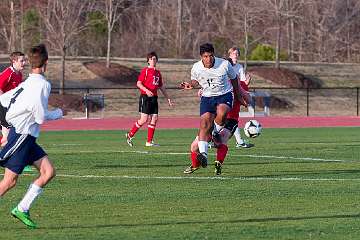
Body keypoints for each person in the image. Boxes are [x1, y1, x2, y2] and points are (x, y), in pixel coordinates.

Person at [0, 44, 63, 229]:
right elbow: (40, 117)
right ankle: (21, 208)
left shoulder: (26, 83)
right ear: (46, 63)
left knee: (49, 172)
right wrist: (57, 113)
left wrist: (13, 113)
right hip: (22, 136)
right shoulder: (43, 84)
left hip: (27, 137)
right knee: (9, 182)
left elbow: (4, 99)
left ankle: (22, 208)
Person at [180, 43, 248, 168]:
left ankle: (214, 132)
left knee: (222, 113)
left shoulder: (224, 64)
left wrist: (238, 96)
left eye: (211, 55)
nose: (209, 59)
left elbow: (234, 79)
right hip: (207, 97)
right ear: (201, 57)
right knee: (204, 124)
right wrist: (191, 84)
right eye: (206, 56)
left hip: (224, 95)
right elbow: (195, 80)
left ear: (214, 55)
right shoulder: (196, 67)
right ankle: (204, 155)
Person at [125, 51, 173, 147]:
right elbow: (138, 83)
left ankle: (149, 142)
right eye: (151, 59)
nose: (153, 60)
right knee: (144, 120)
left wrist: (168, 98)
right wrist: (146, 90)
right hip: (145, 97)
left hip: (154, 98)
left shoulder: (158, 73)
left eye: (155, 59)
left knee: (154, 118)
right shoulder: (145, 71)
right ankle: (130, 135)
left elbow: (161, 87)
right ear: (148, 61)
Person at [227, 47, 254, 148]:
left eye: (237, 53)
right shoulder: (225, 65)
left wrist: (247, 83)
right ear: (230, 55)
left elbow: (242, 83)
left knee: (232, 119)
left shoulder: (239, 67)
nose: (236, 55)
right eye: (234, 53)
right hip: (225, 95)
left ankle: (239, 141)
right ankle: (210, 139)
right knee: (225, 119)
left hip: (235, 95)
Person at [0, 51, 26, 147]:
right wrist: (4, 103)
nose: (24, 63)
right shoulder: (8, 73)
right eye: (22, 61)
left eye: (24, 61)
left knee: (8, 139)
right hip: (3, 108)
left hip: (11, 108)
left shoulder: (19, 74)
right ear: (14, 61)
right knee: (7, 140)